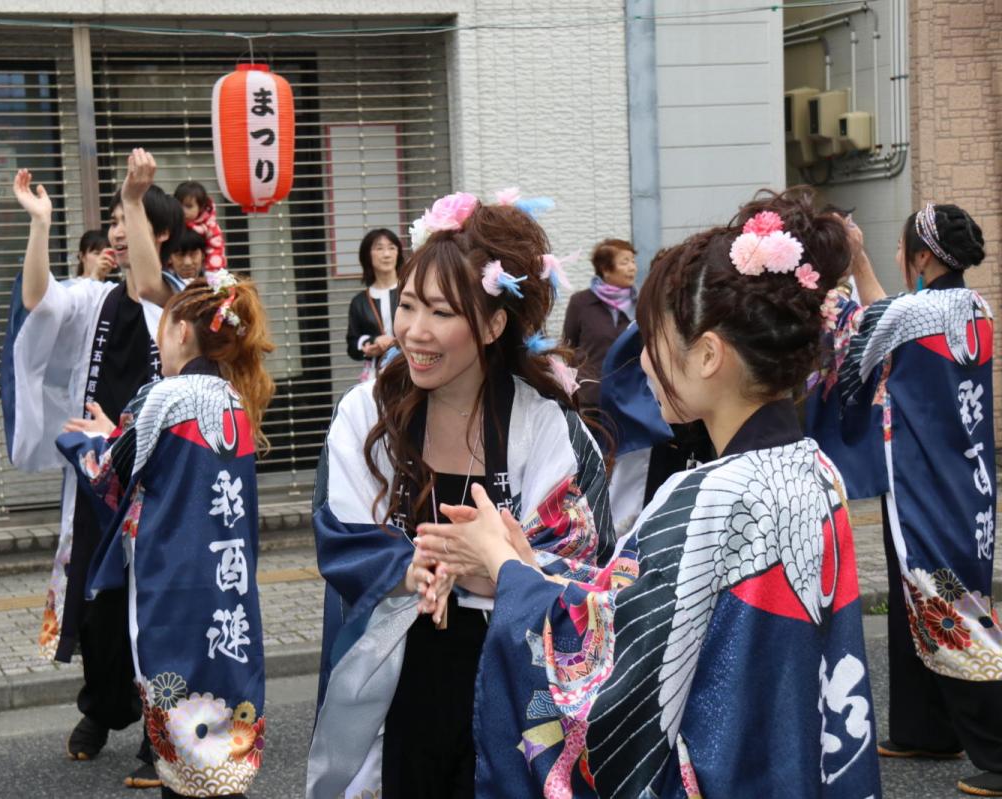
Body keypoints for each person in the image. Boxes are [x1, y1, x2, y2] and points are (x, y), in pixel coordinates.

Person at [417, 188, 882, 797]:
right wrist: (528, 564)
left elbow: (603, 671)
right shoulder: (812, 469)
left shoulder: (707, 496)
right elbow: (642, 603)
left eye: (654, 342)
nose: (641, 366)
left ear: (709, 354)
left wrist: (507, 569)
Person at [307, 191, 614, 798]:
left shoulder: (542, 423)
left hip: (511, 676)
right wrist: (415, 564)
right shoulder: (366, 413)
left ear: (494, 323)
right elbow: (339, 532)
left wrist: (492, 568)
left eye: (441, 313)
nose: (415, 332)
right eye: (409, 305)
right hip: (397, 676)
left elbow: (582, 562)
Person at [0, 148, 184, 786]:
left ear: (157, 236)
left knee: (156, 605)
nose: (113, 229)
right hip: (97, 478)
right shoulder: (92, 297)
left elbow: (147, 284)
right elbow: (38, 301)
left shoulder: (184, 303)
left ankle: (161, 731)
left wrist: (137, 201)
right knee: (98, 606)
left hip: (162, 480)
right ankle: (105, 709)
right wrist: (40, 225)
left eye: (126, 218)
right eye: (110, 219)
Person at [58, 272, 275, 799]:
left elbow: (109, 480)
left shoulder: (164, 396)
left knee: (177, 720)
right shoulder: (234, 398)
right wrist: (117, 434)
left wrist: (80, 443)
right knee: (225, 714)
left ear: (180, 330)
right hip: (228, 587)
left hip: (172, 585)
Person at [811, 203, 1002, 797]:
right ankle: (927, 727)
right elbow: (889, 316)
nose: (897, 259)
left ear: (921, 256)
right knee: (911, 591)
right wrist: (862, 258)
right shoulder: (974, 307)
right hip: (965, 483)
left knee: (947, 605)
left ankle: (998, 750)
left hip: (925, 483)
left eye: (901, 250)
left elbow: (865, 344)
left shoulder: (910, 313)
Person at [561, 238, 637, 418]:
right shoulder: (580, 302)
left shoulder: (639, 304)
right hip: (590, 399)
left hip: (629, 398)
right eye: (624, 262)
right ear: (605, 269)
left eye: (633, 261)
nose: (632, 267)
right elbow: (568, 346)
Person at [344, 228, 403, 382]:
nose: (387, 254)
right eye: (379, 248)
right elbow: (352, 346)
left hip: (409, 369)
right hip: (376, 376)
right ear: (367, 255)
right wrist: (374, 341)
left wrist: (395, 342)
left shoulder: (409, 291)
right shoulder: (360, 302)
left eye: (392, 248)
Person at [175, 180, 227, 272]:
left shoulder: (209, 225)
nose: (183, 211)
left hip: (204, 269)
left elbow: (216, 249)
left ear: (201, 207)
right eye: (179, 206)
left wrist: (213, 271)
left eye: (189, 206)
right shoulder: (172, 222)